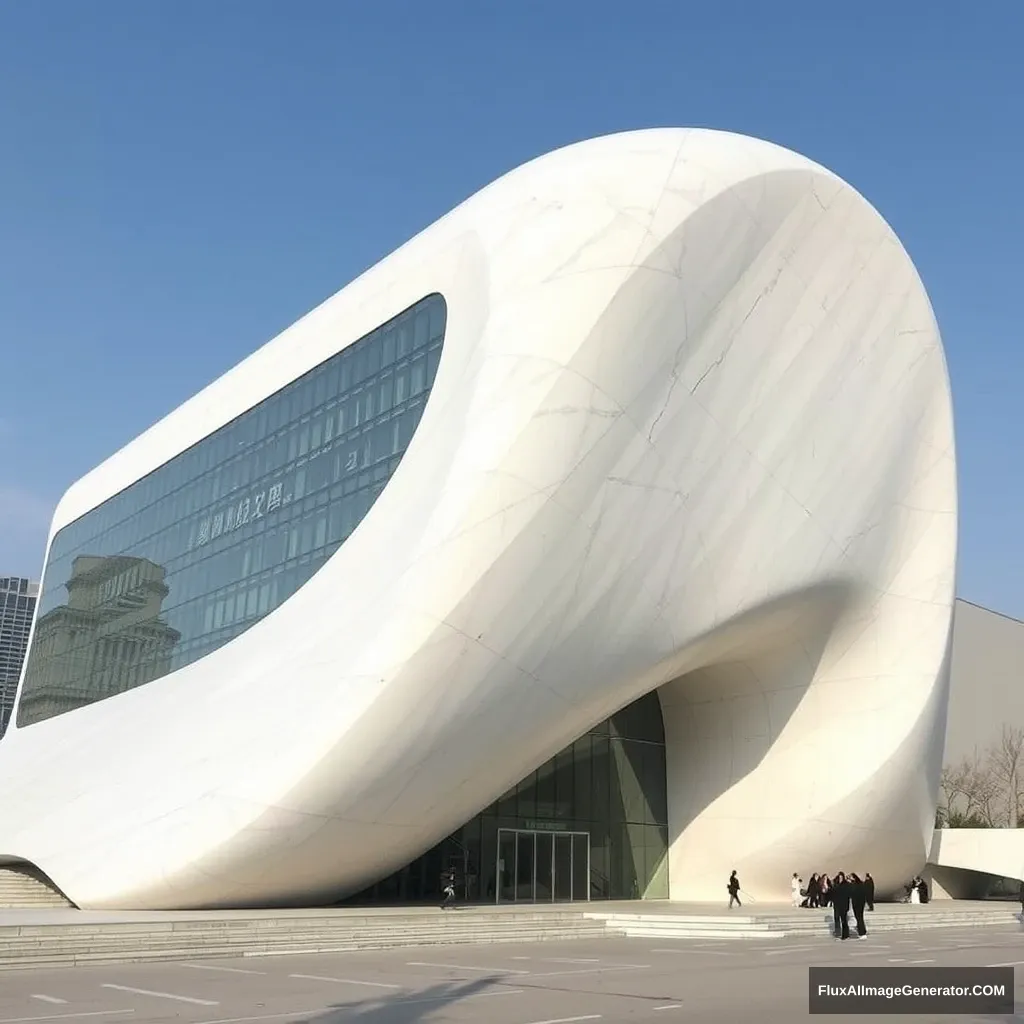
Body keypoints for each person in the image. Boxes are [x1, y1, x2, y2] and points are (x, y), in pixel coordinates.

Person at [831, 871, 851, 939]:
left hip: (843, 904)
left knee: (844, 920)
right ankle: (838, 932)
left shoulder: (846, 884)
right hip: (836, 904)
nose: (840, 878)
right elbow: (833, 892)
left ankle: (846, 934)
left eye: (841, 877)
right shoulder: (836, 884)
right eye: (839, 877)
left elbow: (848, 895)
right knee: (836, 918)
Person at [849, 873, 868, 938]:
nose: (850, 878)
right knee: (860, 918)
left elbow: (852, 893)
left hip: (857, 903)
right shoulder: (861, 884)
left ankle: (862, 933)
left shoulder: (854, 885)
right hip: (860, 903)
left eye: (851, 877)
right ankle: (863, 931)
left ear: (854, 878)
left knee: (859, 918)